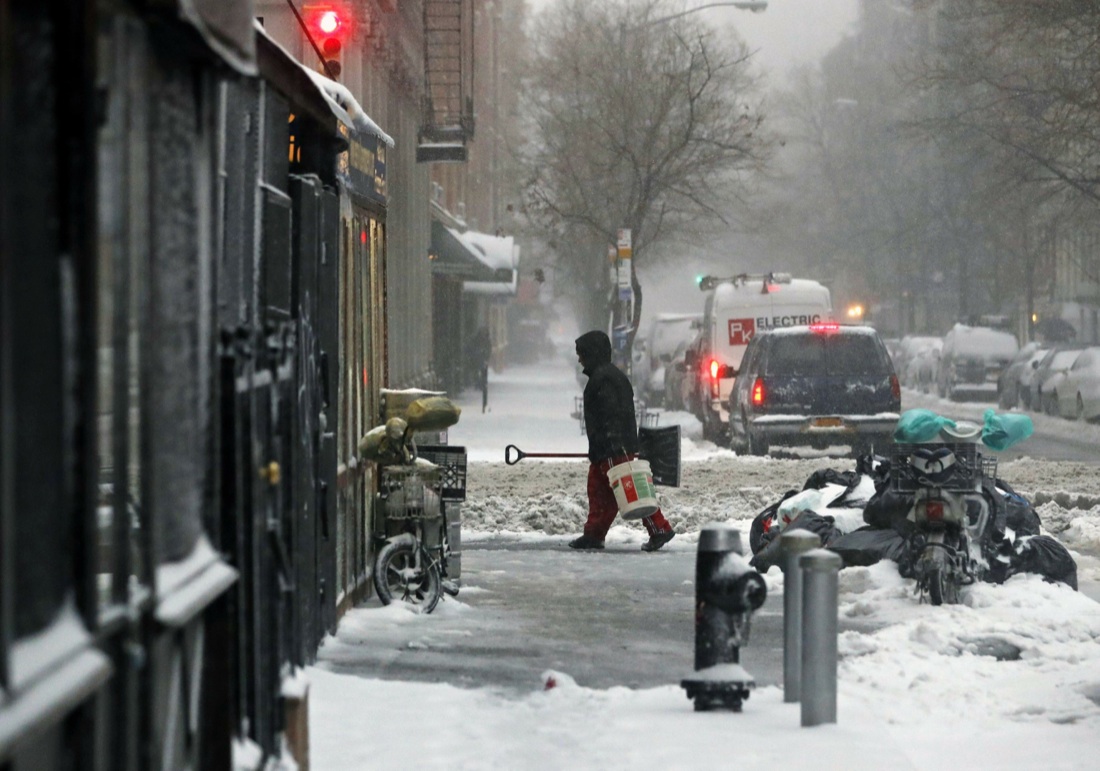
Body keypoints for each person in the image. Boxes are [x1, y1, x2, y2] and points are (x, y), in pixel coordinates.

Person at [569, 330, 676, 552]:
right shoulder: (607, 376)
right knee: (599, 491)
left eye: (582, 354)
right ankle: (594, 535)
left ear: (592, 353)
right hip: (606, 448)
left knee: (630, 490)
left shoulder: (605, 379)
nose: (579, 359)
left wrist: (612, 445)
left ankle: (660, 528)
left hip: (612, 447)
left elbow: (611, 416)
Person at [469, 328, 492, 413]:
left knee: (482, 374)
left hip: (481, 360)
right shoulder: (481, 340)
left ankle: (481, 384)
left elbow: (489, 350)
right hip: (479, 360)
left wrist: (485, 357)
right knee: (480, 374)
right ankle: (481, 383)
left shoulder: (481, 340)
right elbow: (489, 350)